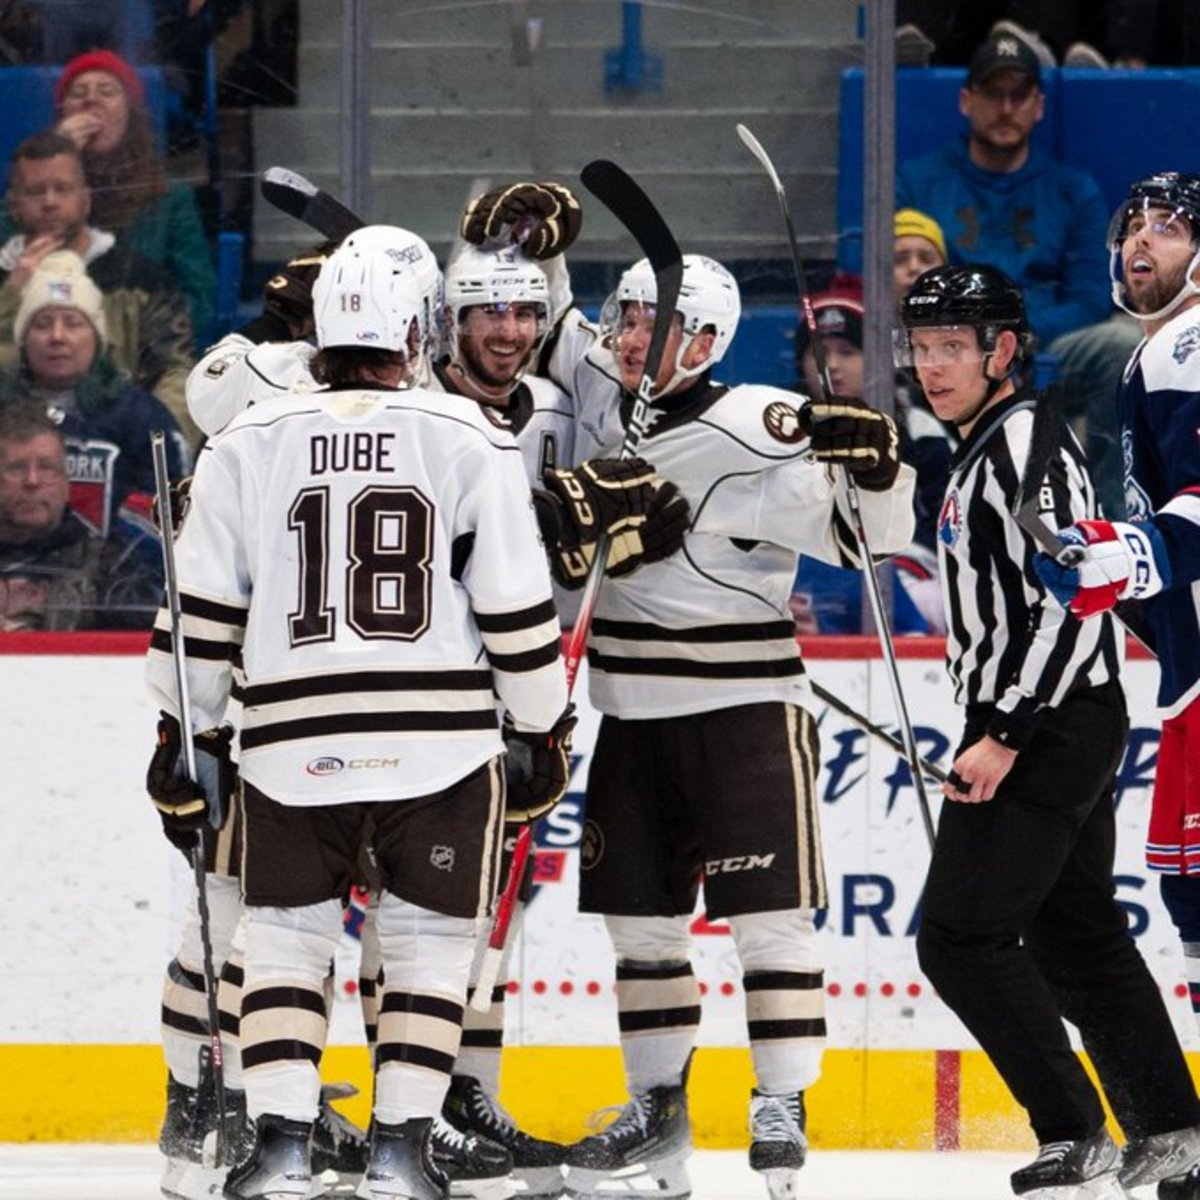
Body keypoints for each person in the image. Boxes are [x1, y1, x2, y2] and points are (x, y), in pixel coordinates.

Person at [460, 187, 916, 1200]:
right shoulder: (601, 387)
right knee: (643, 928)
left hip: (746, 711)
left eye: (651, 323)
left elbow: (869, 541)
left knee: (771, 918)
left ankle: (781, 1103)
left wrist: (882, 467)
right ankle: (658, 1112)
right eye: (625, 318)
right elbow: (543, 321)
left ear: (705, 340)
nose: (628, 337)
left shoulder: (761, 423)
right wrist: (520, 244)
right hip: (629, 711)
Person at [144, 224, 577, 1200]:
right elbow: (516, 610)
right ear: (420, 330)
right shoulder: (470, 435)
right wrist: (542, 726)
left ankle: (282, 1151)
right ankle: (399, 1156)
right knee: (427, 949)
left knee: (288, 941)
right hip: (439, 748)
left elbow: (197, 622)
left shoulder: (247, 439)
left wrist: (184, 734)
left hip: (290, 746)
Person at [896, 261, 1200, 1199]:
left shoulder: (1022, 437)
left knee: (957, 937)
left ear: (1004, 351)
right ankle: (1176, 1134)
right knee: (1076, 936)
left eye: (954, 346)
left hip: (1050, 721)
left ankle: (1074, 1129)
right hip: (1053, 719)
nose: (934, 365)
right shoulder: (980, 442)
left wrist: (1007, 730)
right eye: (922, 348)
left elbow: (1074, 596)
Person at [1033, 171, 1200, 1200]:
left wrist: (1129, 559)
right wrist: (1108, 563)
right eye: (1132, 222)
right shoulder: (1157, 351)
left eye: (1171, 224)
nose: (1145, 237)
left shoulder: (1189, 342)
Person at [896, 29, 1141, 520]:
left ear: (1039, 105)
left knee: (1122, 343)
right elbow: (900, 276)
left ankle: (1113, 516)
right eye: (993, 93)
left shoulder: (1073, 190)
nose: (1006, 108)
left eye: (1019, 95)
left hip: (1050, 345)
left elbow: (1094, 296)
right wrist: (975, 335)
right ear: (967, 101)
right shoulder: (919, 181)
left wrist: (1022, 333)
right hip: (954, 341)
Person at [0, 129, 198, 442]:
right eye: (36, 191)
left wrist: (152, 443)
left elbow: (177, 372)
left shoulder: (139, 277)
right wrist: (10, 296)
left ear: (85, 199)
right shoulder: (4, 280)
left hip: (126, 448)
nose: (50, 202)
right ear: (13, 204)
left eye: (62, 189)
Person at [790, 279, 949, 634]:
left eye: (847, 351)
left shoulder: (920, 428)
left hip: (911, 570)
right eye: (818, 353)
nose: (830, 366)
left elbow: (948, 530)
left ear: (875, 357)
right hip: (812, 573)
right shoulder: (782, 428)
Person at [0, 248, 187, 539]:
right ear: (23, 341)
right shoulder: (3, 408)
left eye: (73, 323)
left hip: (113, 577)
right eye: (42, 324)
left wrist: (108, 565)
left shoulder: (142, 419)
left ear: (97, 339)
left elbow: (172, 514)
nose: (57, 337)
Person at [49, 50, 215, 342]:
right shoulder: (41, 191)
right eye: (78, 93)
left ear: (130, 113)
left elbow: (198, 297)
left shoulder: (169, 197)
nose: (91, 100)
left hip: (143, 355)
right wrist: (57, 160)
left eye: (107, 91)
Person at [0, 407, 159, 630]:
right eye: (16, 468)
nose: (32, 481)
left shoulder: (113, 570)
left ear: (66, 483)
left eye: (46, 467)